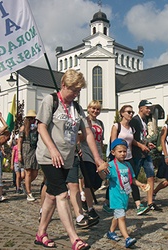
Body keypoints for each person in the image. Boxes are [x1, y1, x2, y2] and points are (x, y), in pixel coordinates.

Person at [35, 69, 107, 249]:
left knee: (51, 195)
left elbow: (88, 133)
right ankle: (74, 238)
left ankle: (41, 232)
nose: (75, 94)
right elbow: (41, 127)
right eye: (73, 90)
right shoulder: (50, 101)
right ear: (63, 85)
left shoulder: (77, 108)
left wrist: (97, 158)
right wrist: (52, 150)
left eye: (78, 91)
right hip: (48, 156)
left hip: (67, 157)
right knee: (61, 194)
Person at [98, 138, 148, 248]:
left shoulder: (128, 165)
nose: (123, 154)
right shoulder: (110, 165)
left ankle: (111, 232)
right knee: (122, 217)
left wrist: (140, 184)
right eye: (120, 151)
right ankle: (127, 238)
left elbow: (132, 179)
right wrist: (100, 170)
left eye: (124, 151)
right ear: (113, 152)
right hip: (115, 196)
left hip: (125, 195)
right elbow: (104, 177)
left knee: (117, 216)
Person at [109, 105, 150, 215]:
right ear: (122, 113)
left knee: (132, 179)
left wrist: (142, 145)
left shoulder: (132, 128)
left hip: (129, 157)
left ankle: (138, 205)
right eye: (128, 112)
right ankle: (108, 201)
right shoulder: (117, 126)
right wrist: (114, 157)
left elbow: (132, 141)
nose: (131, 114)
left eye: (132, 112)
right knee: (115, 180)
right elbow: (113, 142)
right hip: (118, 158)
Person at [130, 99, 162, 211]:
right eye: (147, 108)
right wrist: (141, 145)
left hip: (145, 152)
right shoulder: (134, 120)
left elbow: (142, 137)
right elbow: (131, 138)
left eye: (150, 108)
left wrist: (148, 143)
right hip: (137, 153)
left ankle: (150, 202)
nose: (149, 110)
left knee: (151, 175)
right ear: (141, 108)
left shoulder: (144, 121)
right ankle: (134, 200)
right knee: (133, 177)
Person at [79, 100, 104, 221]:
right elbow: (80, 138)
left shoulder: (100, 123)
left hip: (97, 154)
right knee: (88, 181)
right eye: (93, 108)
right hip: (87, 154)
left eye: (97, 109)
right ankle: (90, 208)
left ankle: (83, 196)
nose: (95, 111)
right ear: (88, 109)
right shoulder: (84, 121)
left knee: (98, 181)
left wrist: (102, 155)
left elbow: (100, 141)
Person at [18, 110, 39, 202]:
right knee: (28, 172)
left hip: (34, 149)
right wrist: (19, 153)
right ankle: (29, 192)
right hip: (26, 149)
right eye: (31, 118)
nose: (33, 120)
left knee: (35, 172)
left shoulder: (36, 128)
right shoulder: (23, 128)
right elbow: (19, 141)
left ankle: (26, 184)